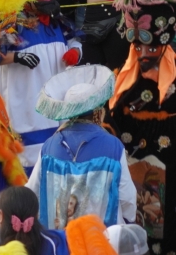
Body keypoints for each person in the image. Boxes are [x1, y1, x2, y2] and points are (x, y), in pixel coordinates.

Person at [107, 0, 176, 255]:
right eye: (137, 48)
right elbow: (110, 121)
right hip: (132, 169)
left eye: (150, 49)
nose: (143, 54)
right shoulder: (122, 79)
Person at [26, 64, 136, 229]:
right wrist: (128, 222)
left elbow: (32, 192)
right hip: (101, 239)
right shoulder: (113, 146)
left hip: (59, 239)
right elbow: (127, 199)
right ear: (97, 112)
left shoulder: (49, 146)